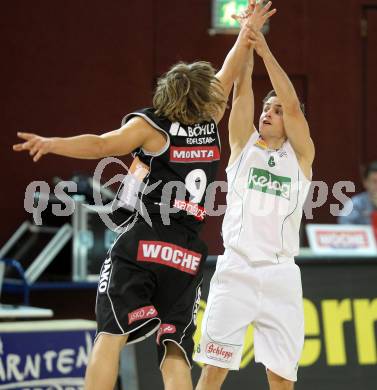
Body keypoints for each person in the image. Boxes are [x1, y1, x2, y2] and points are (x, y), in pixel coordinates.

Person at [12, 4, 275, 389]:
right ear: (204, 98)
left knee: (110, 335)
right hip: (187, 252)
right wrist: (249, 30)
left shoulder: (153, 127)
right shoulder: (210, 122)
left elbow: (102, 145)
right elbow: (231, 68)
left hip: (144, 241)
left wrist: (52, 143)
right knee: (175, 348)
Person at [194, 11, 315, 390]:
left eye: (277, 110)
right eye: (267, 107)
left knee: (281, 380)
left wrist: (264, 49)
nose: (269, 112)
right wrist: (247, 36)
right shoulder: (243, 147)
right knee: (213, 373)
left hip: (280, 274)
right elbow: (242, 89)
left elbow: (294, 107)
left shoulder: (302, 157)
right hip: (237, 270)